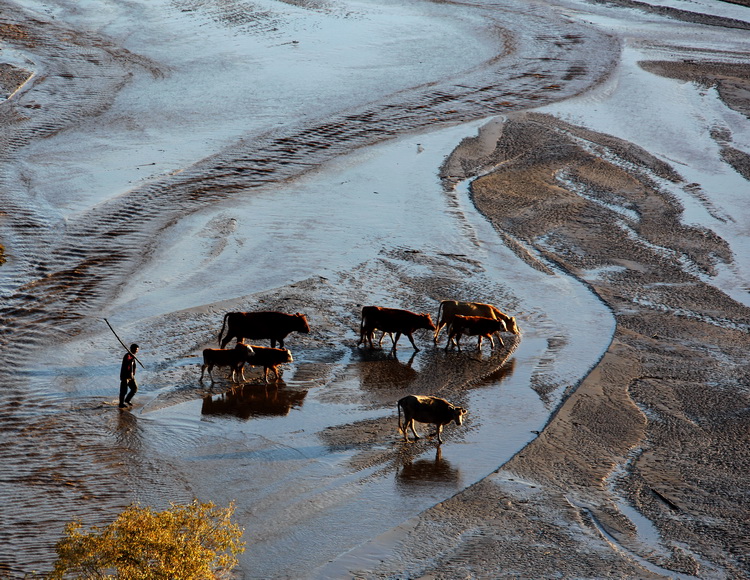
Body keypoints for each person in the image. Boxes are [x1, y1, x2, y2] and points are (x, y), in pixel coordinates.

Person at [119, 344, 139, 408]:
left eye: (137, 350)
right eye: (135, 349)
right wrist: (132, 359)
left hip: (131, 376)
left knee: (134, 388)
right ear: (131, 349)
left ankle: (127, 400)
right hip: (125, 376)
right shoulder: (127, 356)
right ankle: (121, 404)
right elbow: (127, 363)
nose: (136, 351)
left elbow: (133, 366)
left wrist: (133, 374)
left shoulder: (133, 356)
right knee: (124, 391)